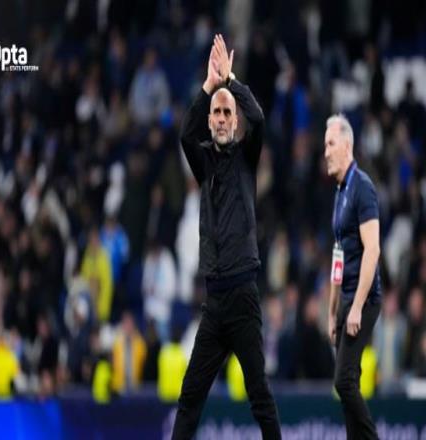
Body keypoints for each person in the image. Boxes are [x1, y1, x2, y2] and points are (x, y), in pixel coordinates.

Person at [172, 34, 281, 439]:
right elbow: (186, 134)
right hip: (214, 302)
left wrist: (230, 81)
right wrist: (208, 86)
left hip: (242, 298)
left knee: (259, 395)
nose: (219, 117)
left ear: (235, 123)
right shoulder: (203, 161)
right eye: (215, 112)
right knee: (190, 396)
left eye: (226, 113)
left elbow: (260, 118)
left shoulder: (247, 159)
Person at [325, 114, 381, 439]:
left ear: (347, 145)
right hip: (345, 299)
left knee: (343, 381)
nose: (326, 152)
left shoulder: (362, 187)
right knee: (349, 386)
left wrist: (357, 306)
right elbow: (338, 256)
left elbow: (372, 249)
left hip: (365, 298)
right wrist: (333, 310)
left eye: (330, 144)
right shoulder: (340, 192)